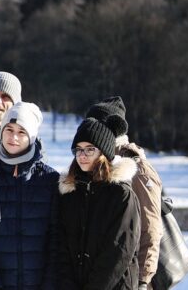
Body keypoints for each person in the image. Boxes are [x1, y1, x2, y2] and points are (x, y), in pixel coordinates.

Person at [0, 102, 60, 289]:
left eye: (22, 132)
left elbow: (56, 240)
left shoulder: (50, 179)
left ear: (32, 137)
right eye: (9, 129)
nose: (13, 137)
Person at [86, 96, 163, 290]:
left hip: (134, 278)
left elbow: (150, 229)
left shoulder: (137, 168)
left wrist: (143, 282)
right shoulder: (97, 163)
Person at [58, 115, 141, 290]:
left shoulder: (121, 195)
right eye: (78, 150)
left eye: (90, 149)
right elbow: (62, 248)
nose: (82, 155)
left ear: (103, 153)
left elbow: (118, 252)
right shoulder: (70, 193)